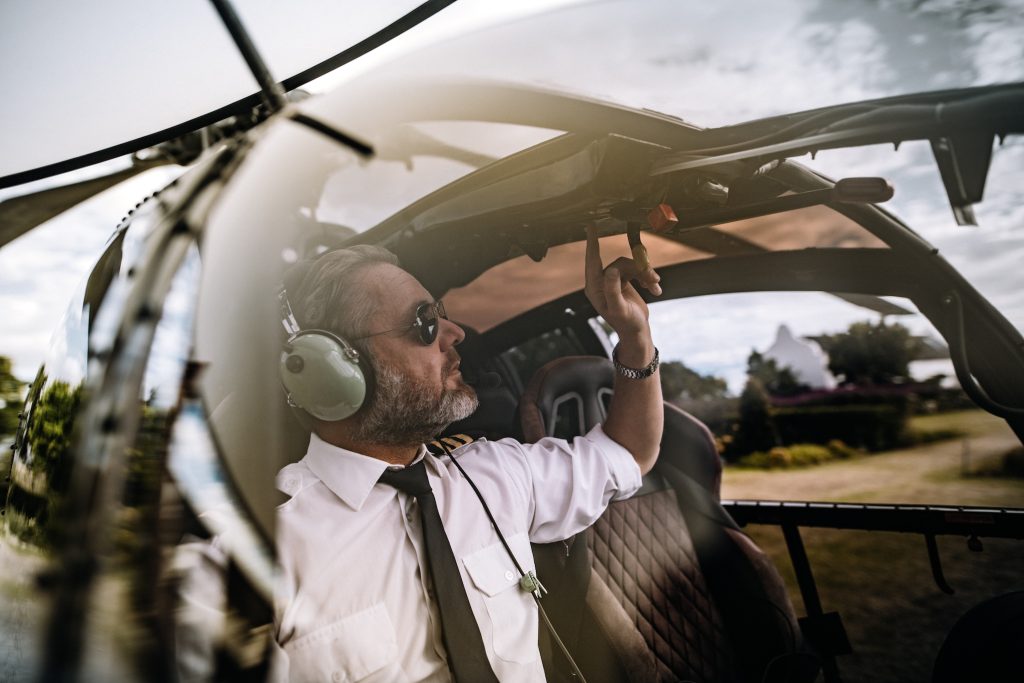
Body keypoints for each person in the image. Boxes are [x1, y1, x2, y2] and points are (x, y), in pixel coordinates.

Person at [273, 226, 664, 682]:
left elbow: (629, 454)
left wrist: (635, 337)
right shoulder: (260, 554)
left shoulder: (494, 473)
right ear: (332, 367)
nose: (455, 332)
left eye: (442, 315)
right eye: (424, 322)